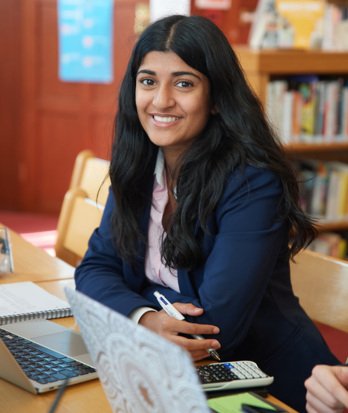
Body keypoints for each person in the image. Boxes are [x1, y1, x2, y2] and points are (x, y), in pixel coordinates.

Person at [75, 14, 338, 412]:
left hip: (272, 384)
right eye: (148, 81)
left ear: (215, 98)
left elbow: (216, 327)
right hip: (175, 373)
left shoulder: (253, 184)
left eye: (184, 83)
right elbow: (93, 269)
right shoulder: (138, 169)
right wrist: (147, 318)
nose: (161, 100)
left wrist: (130, 301)